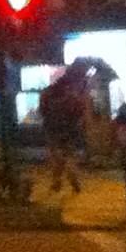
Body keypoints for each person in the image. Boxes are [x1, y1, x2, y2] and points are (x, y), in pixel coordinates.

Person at [40, 66, 88, 196]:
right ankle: (74, 182)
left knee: (57, 158)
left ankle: (57, 183)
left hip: (52, 131)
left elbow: (42, 112)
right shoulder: (71, 95)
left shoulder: (46, 94)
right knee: (69, 157)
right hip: (69, 131)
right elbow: (80, 112)